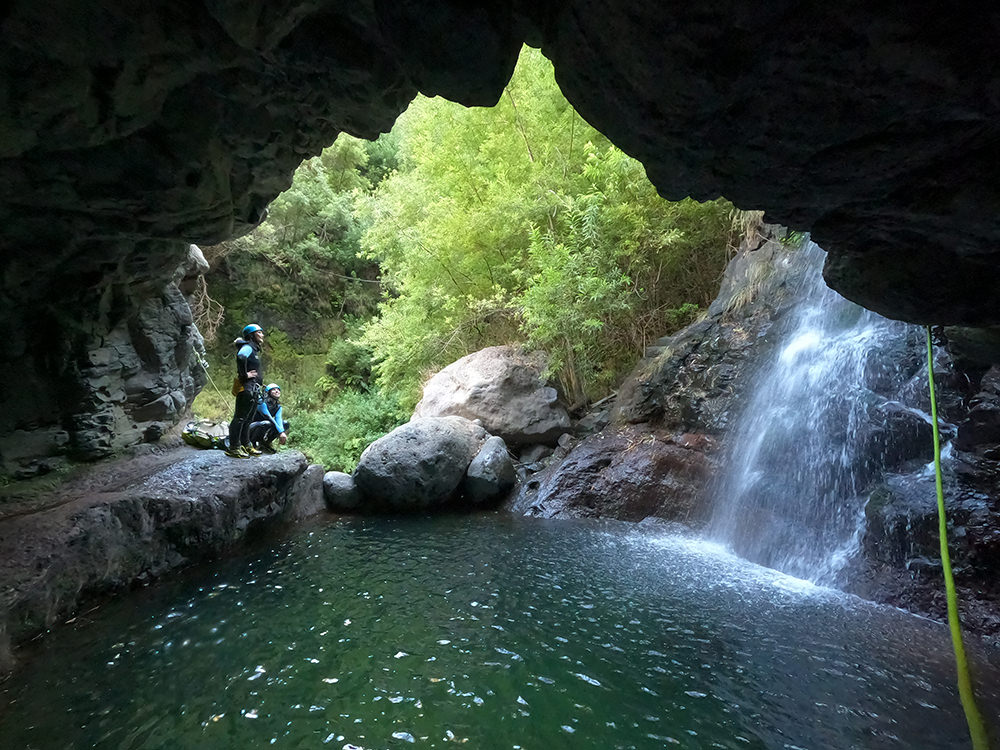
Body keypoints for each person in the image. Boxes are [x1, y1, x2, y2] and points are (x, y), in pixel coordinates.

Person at [226, 323, 265, 458]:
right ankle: (234, 447)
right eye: (259, 332)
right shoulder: (247, 347)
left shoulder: (253, 349)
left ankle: (246, 444)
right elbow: (241, 357)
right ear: (251, 335)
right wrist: (244, 375)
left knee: (248, 419)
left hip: (253, 389)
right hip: (247, 388)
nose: (262, 335)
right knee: (240, 418)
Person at [249, 383, 290, 453]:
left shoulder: (278, 406)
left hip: (264, 425)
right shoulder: (261, 402)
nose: (277, 391)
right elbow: (268, 417)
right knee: (267, 423)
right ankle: (252, 443)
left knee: (285, 423)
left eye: (278, 389)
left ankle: (265, 444)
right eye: (273, 390)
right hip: (251, 427)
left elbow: (278, 419)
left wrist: (282, 432)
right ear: (268, 392)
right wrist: (281, 432)